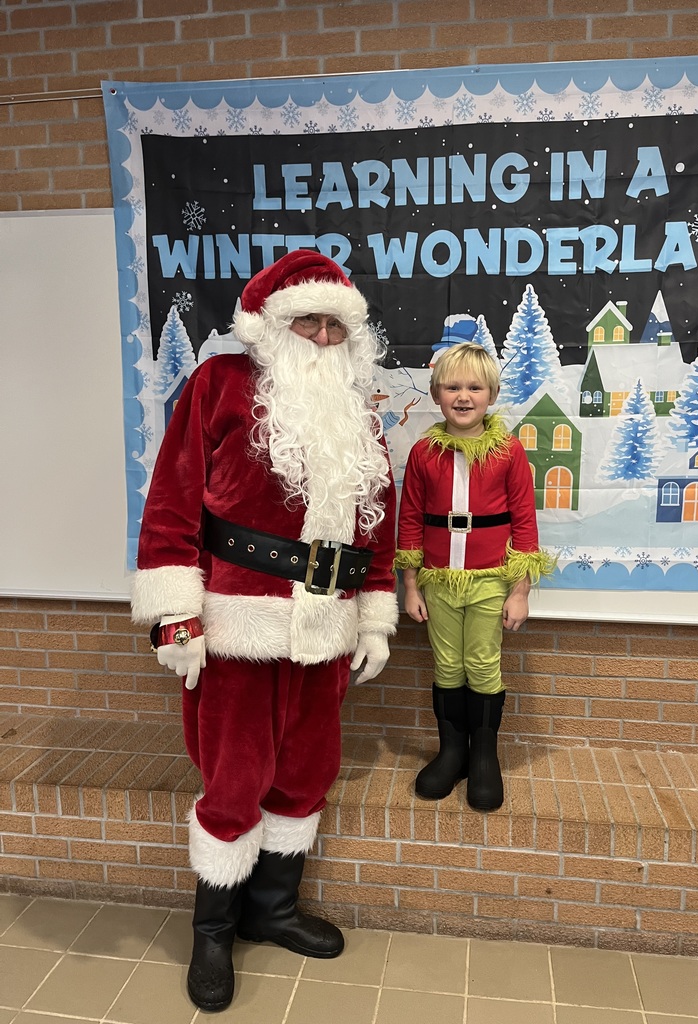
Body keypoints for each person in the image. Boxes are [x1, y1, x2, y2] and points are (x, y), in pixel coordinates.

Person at [130, 250, 398, 1013]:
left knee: (306, 771)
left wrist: (374, 613)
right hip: (237, 624)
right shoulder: (217, 386)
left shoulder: (356, 410)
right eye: (306, 320)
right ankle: (213, 930)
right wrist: (177, 615)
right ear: (272, 325)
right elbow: (174, 504)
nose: (320, 336)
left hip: (326, 628)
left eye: (333, 324)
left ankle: (272, 910)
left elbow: (369, 527)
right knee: (235, 778)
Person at [394, 342, 554, 813]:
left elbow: (525, 523)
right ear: (436, 394)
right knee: (447, 666)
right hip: (439, 581)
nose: (463, 396)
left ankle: (485, 754)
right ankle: (452, 752)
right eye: (452, 387)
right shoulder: (424, 452)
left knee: (482, 664)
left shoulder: (508, 451)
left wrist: (520, 590)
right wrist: (410, 584)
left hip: (488, 580)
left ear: (491, 394)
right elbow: (409, 520)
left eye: (474, 387)